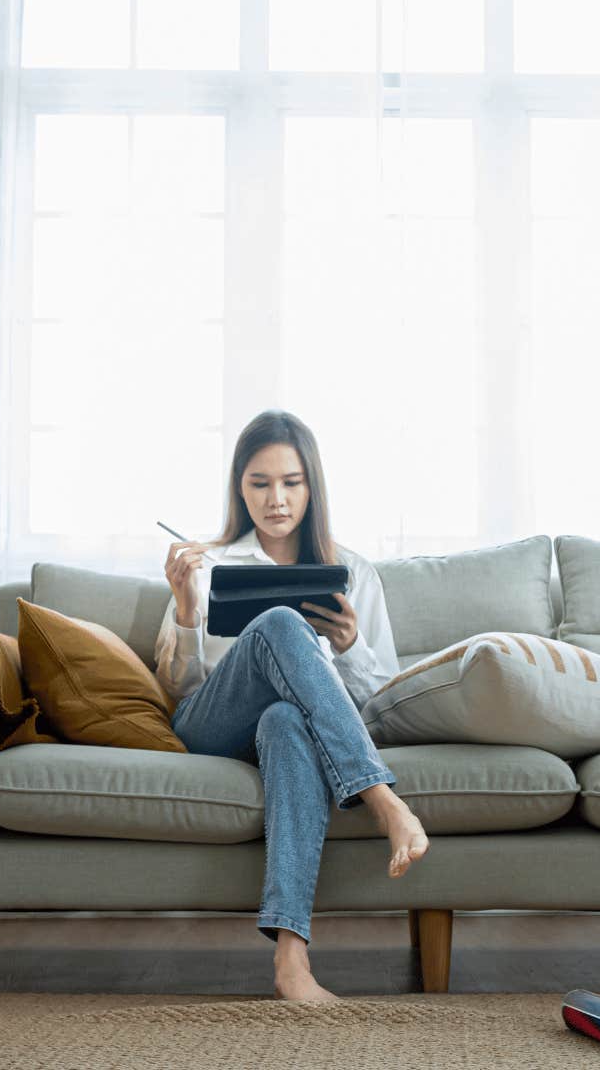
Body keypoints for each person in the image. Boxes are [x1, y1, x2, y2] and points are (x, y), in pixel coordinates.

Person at [154, 408, 428, 1004]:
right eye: (260, 484)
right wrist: (183, 609)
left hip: (293, 733)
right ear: (239, 489)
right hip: (213, 728)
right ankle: (381, 798)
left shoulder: (353, 571)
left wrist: (350, 646)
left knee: (284, 720)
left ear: (312, 486)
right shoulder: (209, 563)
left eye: (291, 482)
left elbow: (383, 701)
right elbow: (178, 688)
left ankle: (291, 961)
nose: (276, 500)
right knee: (277, 621)